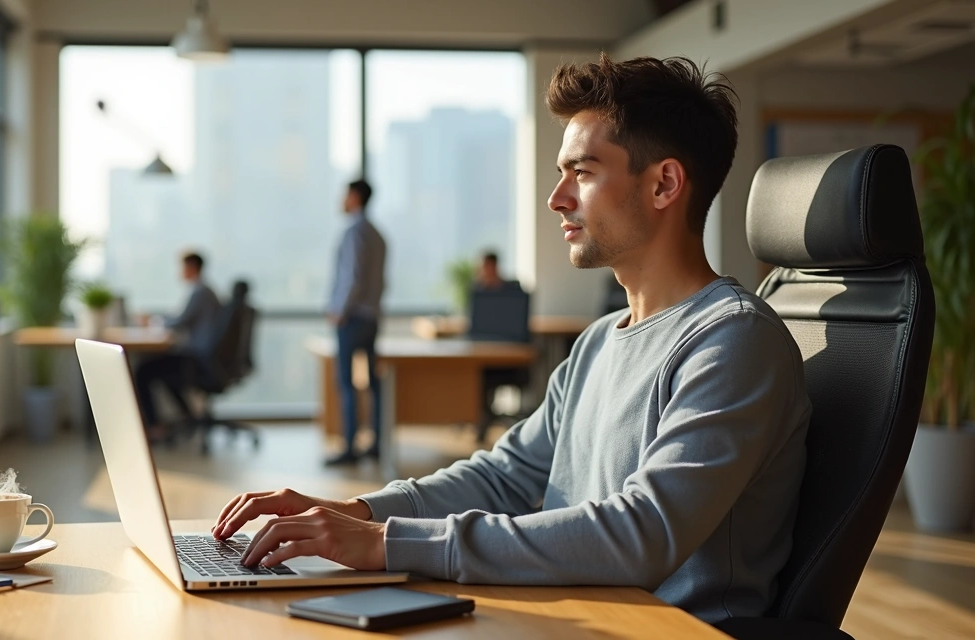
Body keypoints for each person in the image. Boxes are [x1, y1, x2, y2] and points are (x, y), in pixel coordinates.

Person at [210, 54, 811, 625]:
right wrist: (357, 513)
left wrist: (387, 543)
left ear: (663, 185)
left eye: (583, 172)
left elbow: (642, 535)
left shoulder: (732, 340)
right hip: (575, 614)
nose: (558, 198)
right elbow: (508, 477)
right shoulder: (600, 341)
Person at [325, 179, 387, 466]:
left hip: (352, 317)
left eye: (344, 194)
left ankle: (350, 446)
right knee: (373, 383)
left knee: (347, 383)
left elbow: (352, 277)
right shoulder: (378, 234)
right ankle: (376, 442)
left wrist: (339, 310)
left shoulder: (353, 232)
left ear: (354, 197)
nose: (341, 199)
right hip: (372, 316)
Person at [134, 251, 221, 437]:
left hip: (197, 358)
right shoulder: (204, 291)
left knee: (143, 371)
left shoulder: (200, 292)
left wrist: (153, 321)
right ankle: (188, 416)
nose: (179, 272)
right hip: (203, 357)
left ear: (191, 267)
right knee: (165, 372)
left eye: (182, 267)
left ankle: (154, 426)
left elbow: (180, 321)